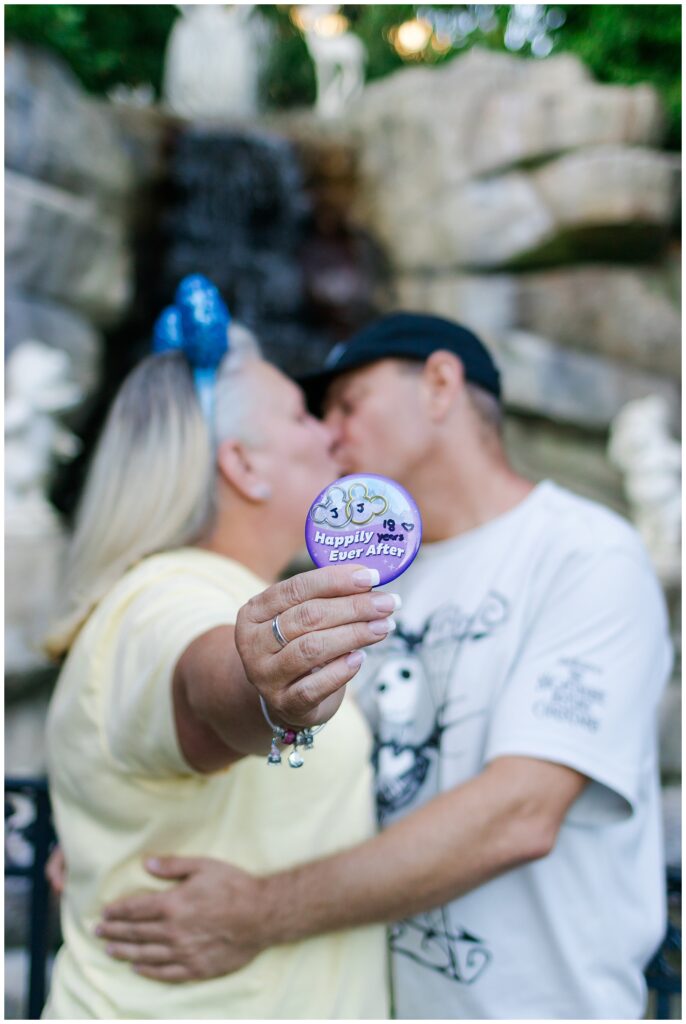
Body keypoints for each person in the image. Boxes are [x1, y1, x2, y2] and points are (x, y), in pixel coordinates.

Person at [97, 312, 673, 1020]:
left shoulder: (585, 553)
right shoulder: (357, 578)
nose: (330, 432)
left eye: (349, 403)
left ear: (439, 384)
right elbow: (296, 754)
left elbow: (520, 814)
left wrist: (259, 913)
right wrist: (119, 833)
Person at [41, 277, 396, 1020]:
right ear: (242, 465)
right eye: (302, 415)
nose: (331, 434)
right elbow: (211, 681)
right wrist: (266, 683)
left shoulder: (167, 591)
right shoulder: (163, 600)